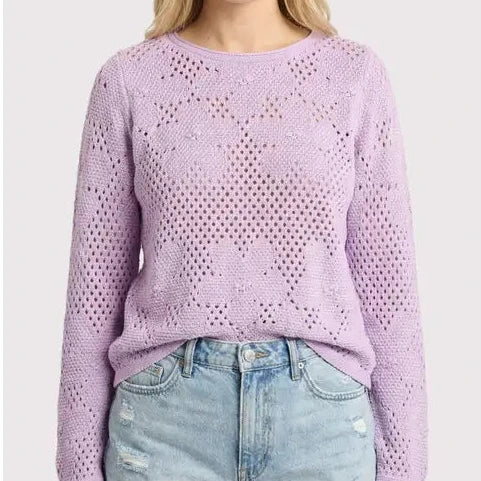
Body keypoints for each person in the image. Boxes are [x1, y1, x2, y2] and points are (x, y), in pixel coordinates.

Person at [55, 1, 428, 480]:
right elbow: (93, 297)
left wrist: (404, 467)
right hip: (164, 429)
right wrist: (77, 467)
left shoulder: (354, 77)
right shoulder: (128, 81)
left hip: (322, 428)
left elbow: (389, 295)